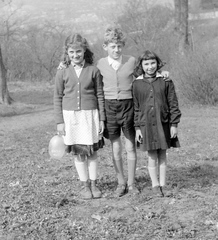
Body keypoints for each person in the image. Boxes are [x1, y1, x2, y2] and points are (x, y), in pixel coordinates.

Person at [97, 27, 170, 197]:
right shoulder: (100, 64)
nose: (116, 50)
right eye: (113, 46)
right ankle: (120, 183)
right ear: (105, 46)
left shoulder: (130, 61)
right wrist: (63, 65)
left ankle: (131, 183)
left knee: (130, 146)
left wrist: (161, 72)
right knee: (116, 148)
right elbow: (89, 76)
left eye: (119, 46)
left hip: (128, 107)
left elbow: (145, 73)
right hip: (109, 108)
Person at [54, 33, 105, 200]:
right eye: (71, 52)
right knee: (78, 153)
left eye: (78, 52)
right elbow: (58, 97)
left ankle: (94, 184)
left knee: (91, 152)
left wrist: (102, 118)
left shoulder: (93, 70)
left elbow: (100, 94)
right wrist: (59, 121)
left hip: (89, 115)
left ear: (84, 51)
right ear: (67, 53)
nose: (75, 55)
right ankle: (84, 185)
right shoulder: (62, 72)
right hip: (70, 118)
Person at [132, 50, 181, 197]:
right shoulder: (136, 84)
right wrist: (138, 128)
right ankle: (154, 185)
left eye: (153, 63)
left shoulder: (166, 81)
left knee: (163, 154)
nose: (150, 67)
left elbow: (173, 103)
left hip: (163, 123)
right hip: (146, 125)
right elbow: (136, 107)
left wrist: (174, 124)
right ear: (141, 65)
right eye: (146, 64)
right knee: (152, 155)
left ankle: (163, 184)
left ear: (157, 63)